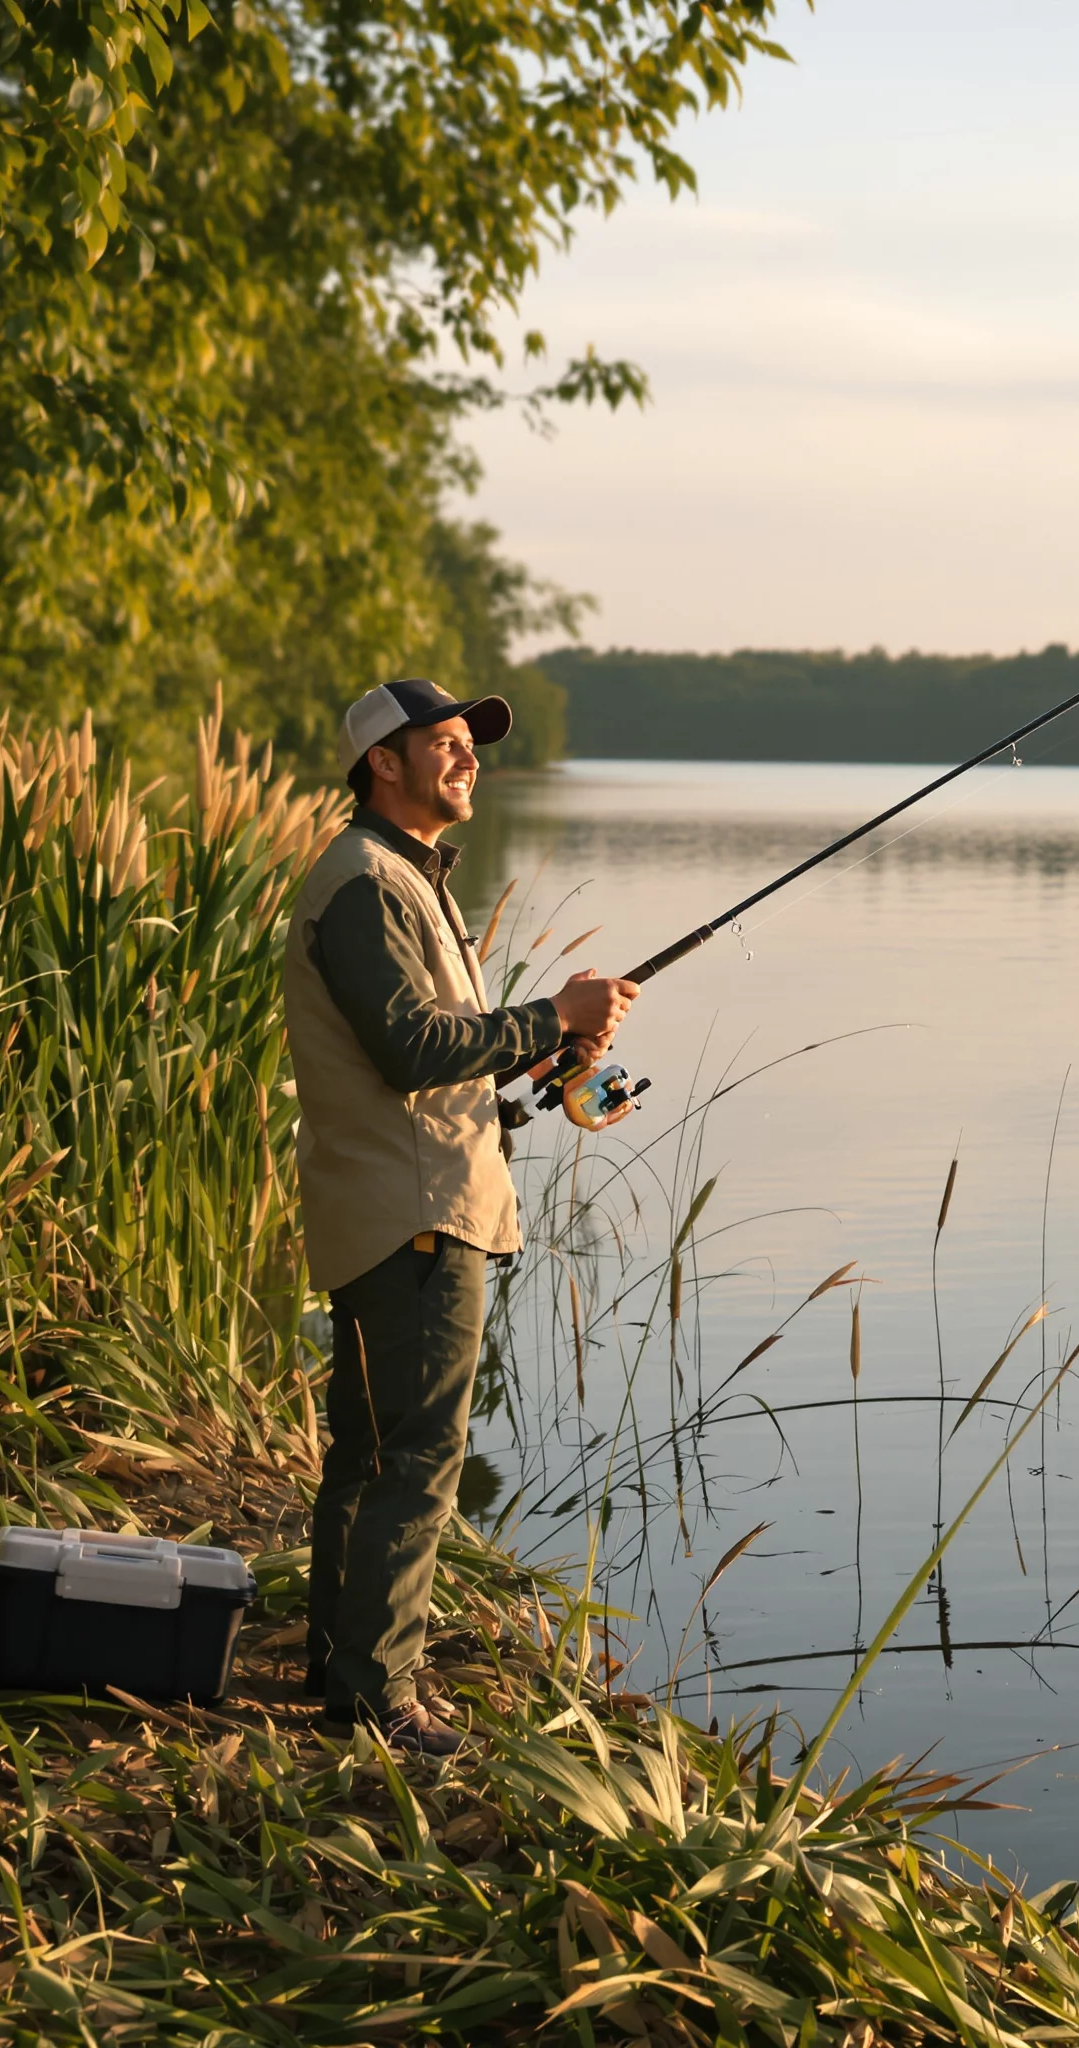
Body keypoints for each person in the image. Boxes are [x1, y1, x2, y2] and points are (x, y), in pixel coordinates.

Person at [284, 678, 638, 1752]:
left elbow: (437, 1049)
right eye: (441, 742)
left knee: (371, 1451)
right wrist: (552, 1011)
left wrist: (548, 1049)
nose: (465, 756)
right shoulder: (366, 881)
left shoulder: (401, 876)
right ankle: (379, 1699)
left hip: (402, 1204)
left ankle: (343, 1666)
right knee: (417, 1458)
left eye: (468, 743)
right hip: (417, 1217)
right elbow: (408, 1047)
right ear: (381, 763)